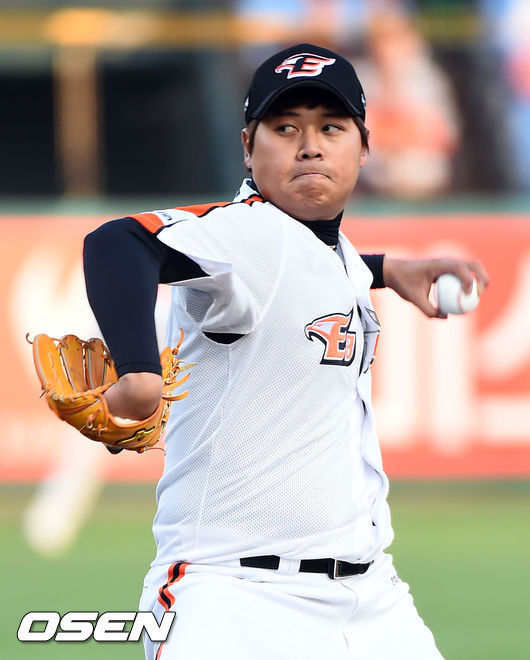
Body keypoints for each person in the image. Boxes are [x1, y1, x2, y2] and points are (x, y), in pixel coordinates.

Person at [83, 43, 488, 660]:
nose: (310, 146)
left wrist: (384, 269)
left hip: (370, 597)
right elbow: (119, 243)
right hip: (237, 600)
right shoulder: (253, 230)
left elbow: (302, 271)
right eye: (285, 128)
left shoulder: (327, 251)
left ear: (364, 147)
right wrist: (138, 372)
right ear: (248, 146)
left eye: (332, 127)